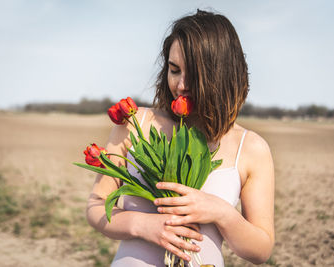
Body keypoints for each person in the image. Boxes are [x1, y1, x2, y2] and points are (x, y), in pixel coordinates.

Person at [86, 9, 274, 267]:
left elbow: (261, 250)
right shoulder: (135, 124)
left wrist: (221, 213)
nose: (181, 85)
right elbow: (96, 206)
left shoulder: (250, 148)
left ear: (221, 75)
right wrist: (143, 225)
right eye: (174, 70)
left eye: (194, 75)